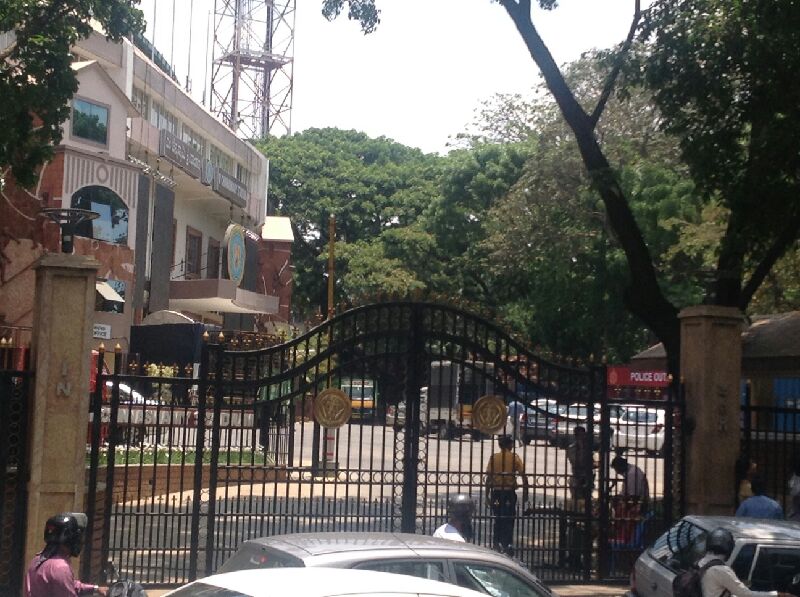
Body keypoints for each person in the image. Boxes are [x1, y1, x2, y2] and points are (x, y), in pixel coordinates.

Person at [25, 512, 105, 596]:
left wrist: (95, 588)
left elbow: (67, 583)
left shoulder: (37, 560)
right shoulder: (60, 567)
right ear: (70, 538)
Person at [698, 527, 791, 597]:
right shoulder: (721, 570)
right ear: (729, 548)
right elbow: (746, 594)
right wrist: (777, 594)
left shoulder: (702, 562)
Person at [485, 435, 529, 555]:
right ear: (510, 445)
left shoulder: (494, 458)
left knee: (497, 517)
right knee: (509, 518)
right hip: (508, 494)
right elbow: (523, 475)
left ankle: (496, 543)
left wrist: (486, 495)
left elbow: (488, 477)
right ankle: (508, 544)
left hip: (497, 494)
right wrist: (526, 493)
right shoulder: (514, 458)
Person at [610, 454, 649, 544]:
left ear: (620, 467)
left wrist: (621, 501)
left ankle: (622, 537)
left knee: (620, 514)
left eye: (616, 469)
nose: (617, 472)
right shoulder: (630, 472)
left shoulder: (632, 474)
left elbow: (633, 497)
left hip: (638, 505)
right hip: (634, 501)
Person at [566, 425, 593, 508]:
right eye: (580, 435)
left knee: (587, 499)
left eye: (583, 435)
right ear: (576, 436)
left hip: (588, 477)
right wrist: (581, 448)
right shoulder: (572, 448)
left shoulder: (587, 448)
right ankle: (574, 517)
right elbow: (576, 462)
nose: (582, 437)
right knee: (577, 499)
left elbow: (592, 462)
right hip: (577, 477)